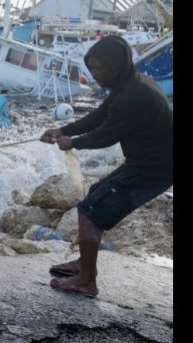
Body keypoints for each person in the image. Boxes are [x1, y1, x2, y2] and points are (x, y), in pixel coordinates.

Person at [40, 35, 172, 298]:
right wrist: (62, 129)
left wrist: (71, 142)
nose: (95, 75)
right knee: (95, 194)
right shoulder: (129, 84)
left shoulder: (133, 95)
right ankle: (83, 264)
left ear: (116, 64)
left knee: (90, 210)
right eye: (92, 69)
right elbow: (98, 117)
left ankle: (87, 281)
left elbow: (105, 135)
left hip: (156, 167)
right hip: (148, 161)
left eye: (100, 69)